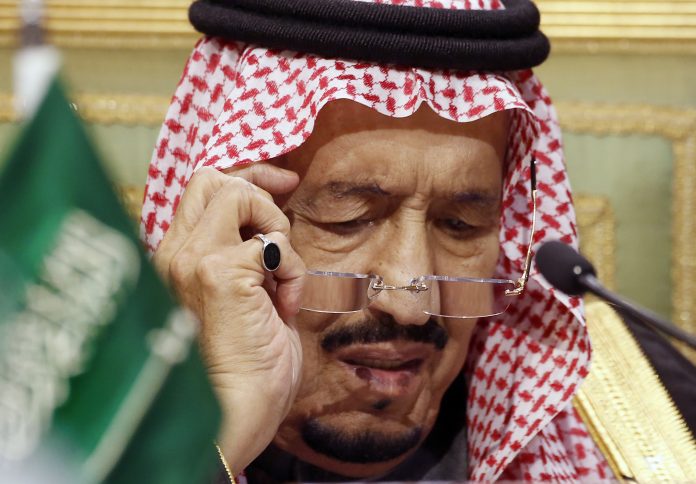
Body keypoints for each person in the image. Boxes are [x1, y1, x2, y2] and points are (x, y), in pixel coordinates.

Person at [141, 0, 613, 481]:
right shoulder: (90, 427)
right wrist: (223, 431)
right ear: (225, 231)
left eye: (460, 225)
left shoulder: (629, 437)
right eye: (347, 219)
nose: (410, 303)